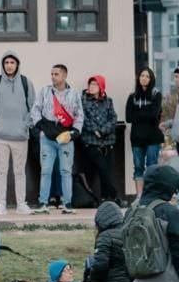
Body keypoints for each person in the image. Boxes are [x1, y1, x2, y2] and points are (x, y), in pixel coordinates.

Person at [0, 51, 34, 216]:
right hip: (0, 137)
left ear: (17, 64)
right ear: (3, 65)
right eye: (6, 62)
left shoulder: (26, 82)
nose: (9, 65)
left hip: (20, 137)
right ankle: (1, 203)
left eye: (12, 62)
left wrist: (25, 125)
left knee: (19, 172)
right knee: (1, 171)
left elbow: (33, 107)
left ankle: (21, 204)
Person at [30, 64, 83, 214]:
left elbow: (79, 114)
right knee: (45, 171)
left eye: (56, 74)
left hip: (66, 138)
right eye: (52, 74)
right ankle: (42, 203)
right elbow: (35, 109)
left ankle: (68, 203)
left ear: (65, 75)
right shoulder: (45, 92)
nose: (53, 76)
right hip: (47, 138)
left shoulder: (73, 94)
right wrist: (41, 126)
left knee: (66, 171)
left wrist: (75, 132)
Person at [126, 67, 163, 199]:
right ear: (138, 78)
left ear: (151, 78)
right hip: (137, 137)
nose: (144, 78)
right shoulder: (132, 96)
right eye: (142, 75)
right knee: (138, 167)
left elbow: (154, 114)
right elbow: (128, 117)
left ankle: (151, 196)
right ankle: (139, 196)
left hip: (153, 137)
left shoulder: (156, 94)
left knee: (152, 167)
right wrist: (146, 113)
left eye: (147, 76)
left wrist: (139, 113)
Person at [80, 75, 118, 203]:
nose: (91, 87)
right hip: (90, 141)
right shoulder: (83, 100)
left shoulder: (108, 101)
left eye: (95, 84)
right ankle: (113, 195)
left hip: (107, 140)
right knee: (102, 167)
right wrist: (95, 130)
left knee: (107, 170)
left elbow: (113, 118)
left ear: (101, 86)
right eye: (90, 84)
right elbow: (83, 119)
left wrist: (102, 131)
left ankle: (105, 197)